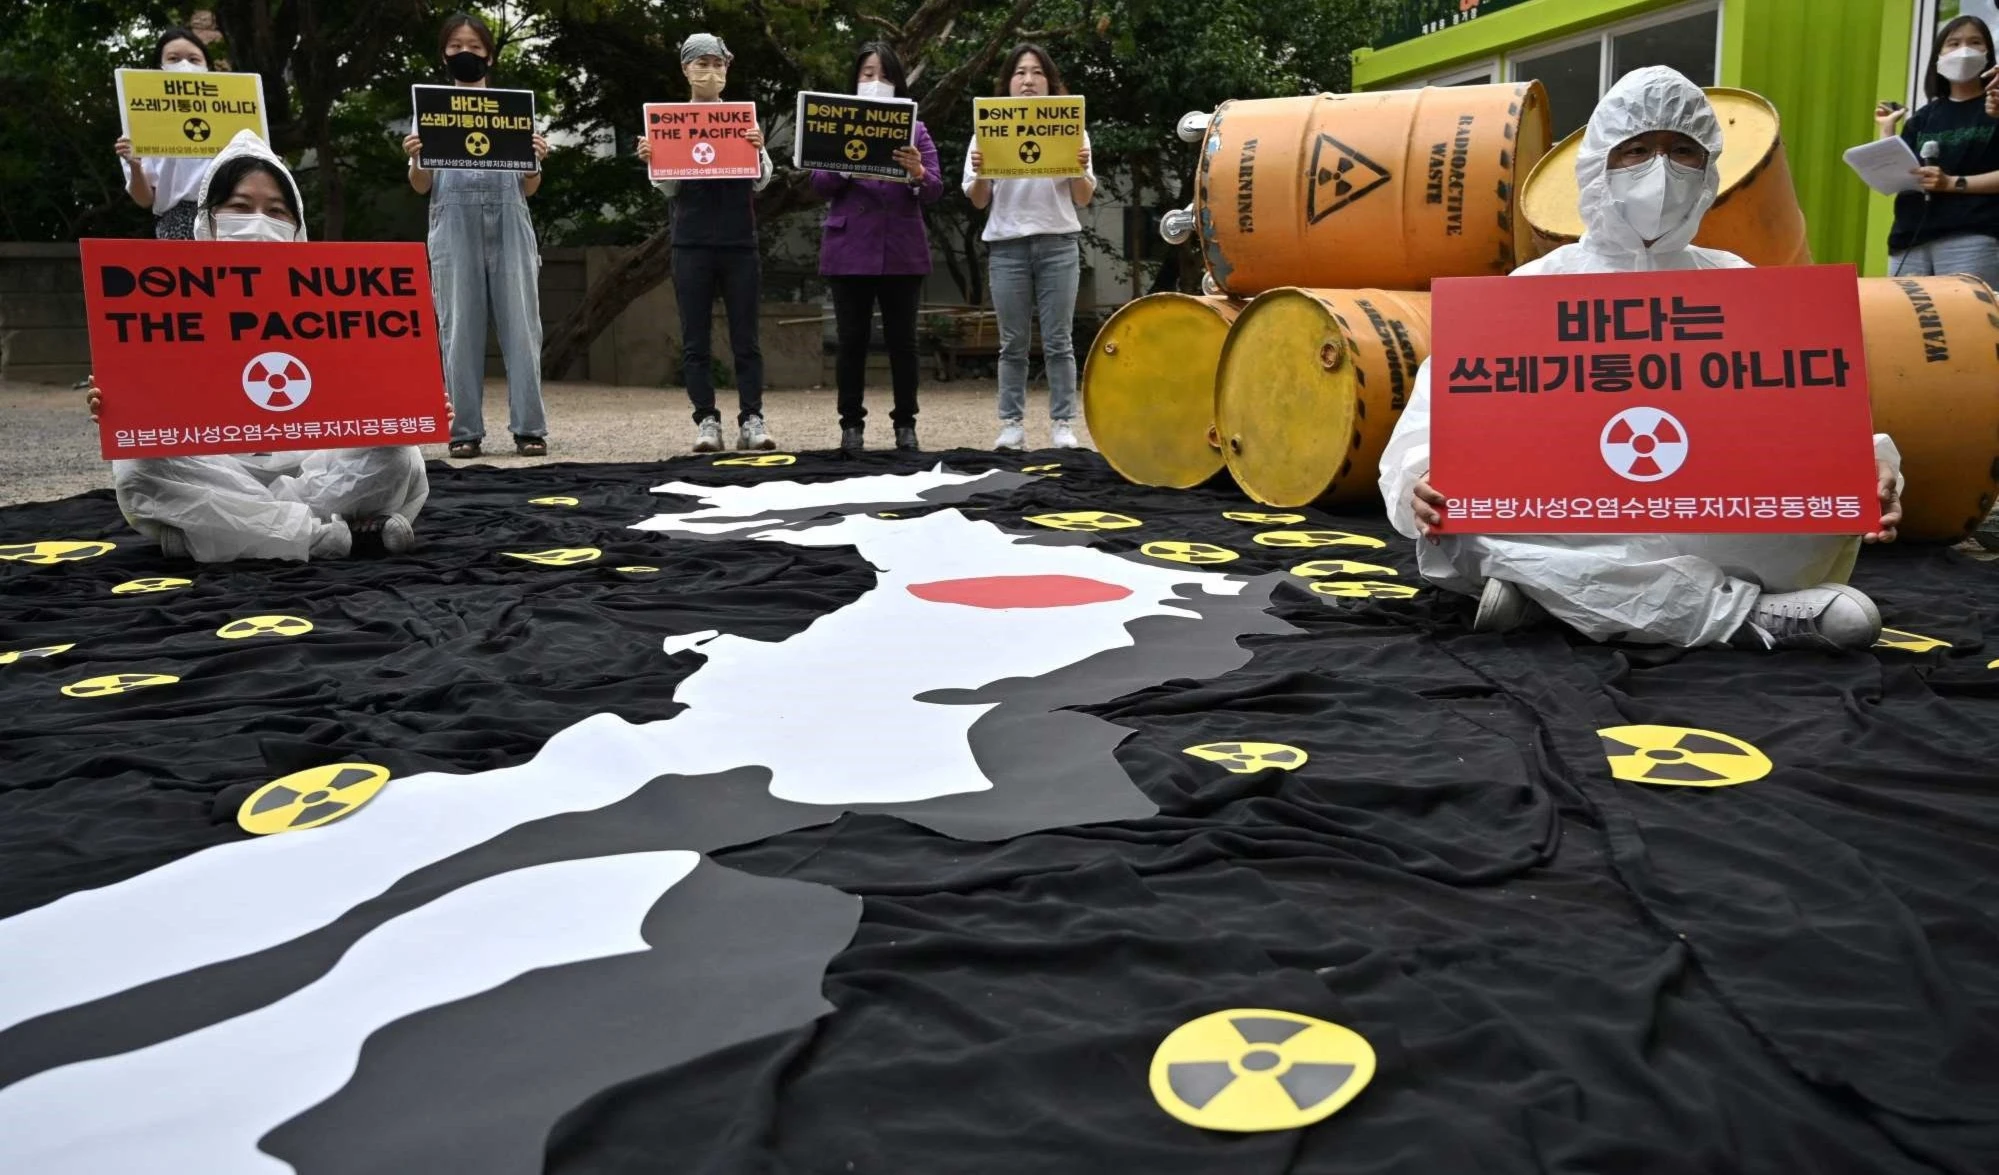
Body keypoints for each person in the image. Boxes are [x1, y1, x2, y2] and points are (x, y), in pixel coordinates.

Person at [1380, 67, 1903, 652]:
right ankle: (1753, 613)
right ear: (1597, 164)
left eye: (1683, 151)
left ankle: (1551, 594)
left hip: (1701, 516)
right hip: (1573, 518)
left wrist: (1867, 469)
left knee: (1806, 519)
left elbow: (1809, 414)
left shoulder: (1740, 283)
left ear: (1709, 173)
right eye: (1637, 151)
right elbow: (1431, 422)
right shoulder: (1526, 291)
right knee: (1459, 529)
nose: (1661, 171)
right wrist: (1421, 477)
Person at [85, 130, 429, 563]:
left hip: (316, 465)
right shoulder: (164, 300)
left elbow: (371, 401)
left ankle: (221, 535)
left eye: (276, 211)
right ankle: (326, 530)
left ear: (297, 223)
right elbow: (151, 407)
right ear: (208, 216)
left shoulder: (336, 300)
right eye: (240, 207)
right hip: (217, 466)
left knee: (397, 454)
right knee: (141, 466)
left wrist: (416, 406)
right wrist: (120, 406)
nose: (258, 221)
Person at [401, 11, 551, 460]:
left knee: (523, 326)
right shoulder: (427, 110)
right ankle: (463, 429)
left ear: (489, 54)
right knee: (458, 327)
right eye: (456, 47)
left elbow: (529, 187)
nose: (465, 54)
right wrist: (415, 159)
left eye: (474, 47)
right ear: (443, 54)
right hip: (452, 222)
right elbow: (422, 186)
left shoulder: (514, 109)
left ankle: (530, 428)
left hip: (510, 217)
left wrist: (536, 158)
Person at [636, 33, 777, 454]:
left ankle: (752, 418)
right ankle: (706, 421)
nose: (711, 72)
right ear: (685, 69)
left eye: (718, 64)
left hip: (739, 242)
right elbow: (667, 187)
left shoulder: (742, 120)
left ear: (727, 69)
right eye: (702, 64)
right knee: (694, 338)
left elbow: (761, 180)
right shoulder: (669, 123)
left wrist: (760, 149)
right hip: (691, 242)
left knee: (746, 337)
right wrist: (654, 157)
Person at [810, 42, 943, 454]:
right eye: (867, 74)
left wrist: (917, 171)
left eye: (884, 75)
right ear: (854, 80)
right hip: (849, 247)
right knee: (851, 340)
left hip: (900, 248)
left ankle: (906, 424)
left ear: (898, 82)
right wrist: (844, 167)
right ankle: (851, 425)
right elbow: (817, 183)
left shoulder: (915, 128)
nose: (875, 82)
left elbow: (936, 188)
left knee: (904, 342)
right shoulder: (837, 123)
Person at [963, 44, 1096, 452]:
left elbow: (1085, 196)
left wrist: (1078, 168)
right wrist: (983, 173)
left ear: (1049, 82)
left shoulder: (1073, 129)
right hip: (1006, 247)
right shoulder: (985, 130)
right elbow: (978, 199)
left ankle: (1062, 425)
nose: (1027, 80)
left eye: (1037, 72)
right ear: (1007, 83)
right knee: (1012, 343)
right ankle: (1011, 425)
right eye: (1020, 72)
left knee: (1059, 341)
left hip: (1059, 243)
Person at [1876, 15, 1999, 286]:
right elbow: (1897, 175)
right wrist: (1886, 130)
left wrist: (1952, 183)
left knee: (1969, 325)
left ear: (1989, 54)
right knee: (1905, 325)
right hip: (1910, 241)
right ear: (1938, 57)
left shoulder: (1995, 108)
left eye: (1975, 42)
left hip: (1971, 238)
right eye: (1953, 43)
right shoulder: (1923, 118)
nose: (1963, 50)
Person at [112, 29, 215, 239]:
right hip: (177, 227)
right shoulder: (140, 124)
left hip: (231, 221)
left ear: (207, 67)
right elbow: (145, 199)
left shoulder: (235, 115)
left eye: (194, 59)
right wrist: (134, 164)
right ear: (159, 67)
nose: (185, 65)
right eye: (174, 59)